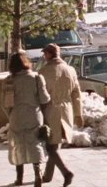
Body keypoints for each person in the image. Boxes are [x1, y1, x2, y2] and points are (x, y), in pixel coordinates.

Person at [3, 51, 51, 187]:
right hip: (34, 116)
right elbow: (44, 98)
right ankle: (38, 173)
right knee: (35, 144)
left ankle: (19, 178)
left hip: (16, 116)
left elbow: (6, 104)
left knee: (18, 145)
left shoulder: (9, 81)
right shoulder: (36, 78)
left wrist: (11, 115)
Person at [38, 43, 83, 186]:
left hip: (51, 110)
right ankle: (48, 175)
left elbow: (39, 94)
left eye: (45, 54)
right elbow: (76, 94)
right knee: (55, 145)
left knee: (51, 147)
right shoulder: (70, 70)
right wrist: (78, 113)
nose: (44, 57)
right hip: (67, 109)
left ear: (50, 54)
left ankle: (66, 172)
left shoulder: (44, 72)